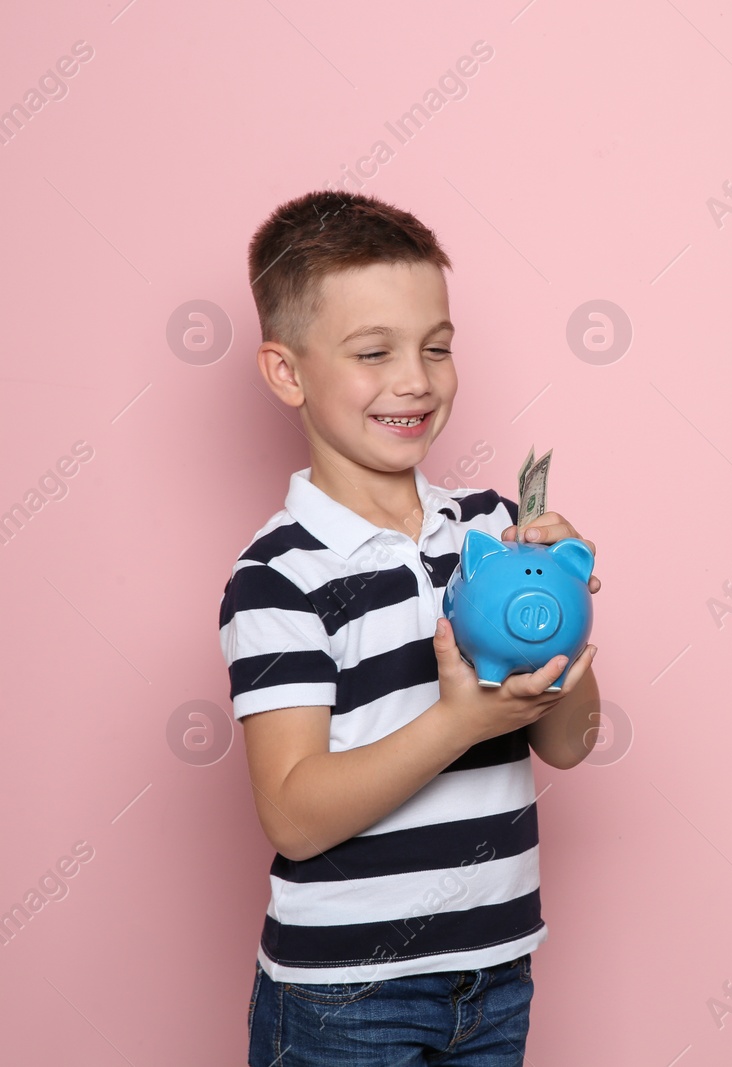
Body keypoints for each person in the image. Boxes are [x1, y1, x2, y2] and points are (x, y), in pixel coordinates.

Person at [218, 189, 600, 1065]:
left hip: (495, 974)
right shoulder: (280, 574)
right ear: (286, 372)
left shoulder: (492, 532)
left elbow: (572, 743)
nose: (416, 380)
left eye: (436, 347)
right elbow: (294, 815)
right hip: (343, 998)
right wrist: (456, 723)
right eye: (372, 351)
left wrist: (567, 620)